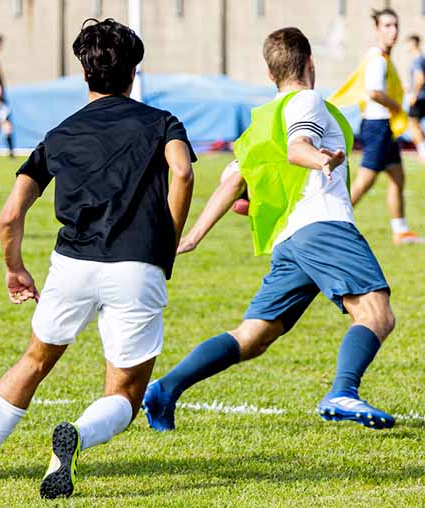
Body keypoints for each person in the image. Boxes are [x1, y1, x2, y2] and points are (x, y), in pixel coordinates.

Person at [0, 18, 195, 499]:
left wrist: (15, 268)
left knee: (34, 361)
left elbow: (10, 213)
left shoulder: (59, 134)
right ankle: (76, 435)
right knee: (125, 393)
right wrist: (168, 240)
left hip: (71, 266)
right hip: (136, 264)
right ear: (133, 72)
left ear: (84, 73)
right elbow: (181, 173)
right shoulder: (162, 122)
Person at [144, 27, 396, 434]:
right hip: (324, 225)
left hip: (291, 240)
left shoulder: (260, 122)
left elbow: (232, 185)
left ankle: (164, 388)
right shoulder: (308, 100)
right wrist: (319, 160)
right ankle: (342, 391)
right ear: (310, 63)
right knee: (375, 313)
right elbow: (299, 147)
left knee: (253, 336)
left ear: (269, 73)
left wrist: (190, 237)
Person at [329, 8, 422, 245]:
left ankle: (400, 231)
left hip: (385, 127)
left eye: (395, 25)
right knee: (364, 182)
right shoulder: (377, 59)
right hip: (377, 126)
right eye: (387, 26)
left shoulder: (385, 58)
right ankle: (331, 226)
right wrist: (396, 106)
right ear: (377, 29)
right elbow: (373, 92)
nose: (393, 31)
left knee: (397, 176)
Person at [406, 34, 425, 159]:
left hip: (419, 97)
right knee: (416, 124)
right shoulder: (422, 58)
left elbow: (420, 79)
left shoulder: (417, 60)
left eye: (407, 44)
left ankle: (422, 152)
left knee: (412, 124)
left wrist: (414, 94)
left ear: (413, 43)